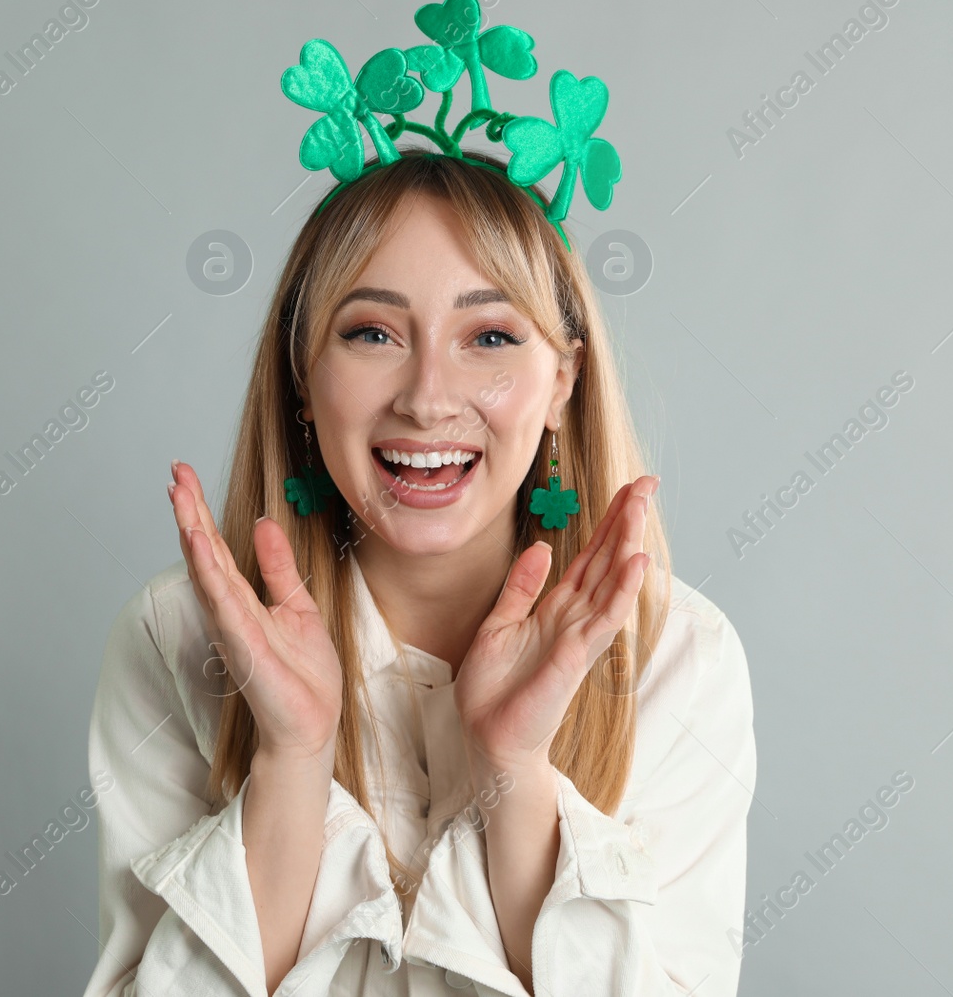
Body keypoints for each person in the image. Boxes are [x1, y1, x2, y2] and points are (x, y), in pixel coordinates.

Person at [80, 149, 756, 997]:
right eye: (373, 333)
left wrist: (514, 773)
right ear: (302, 374)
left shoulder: (676, 658)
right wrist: (291, 762)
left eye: (491, 336)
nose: (428, 397)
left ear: (562, 381)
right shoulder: (176, 638)